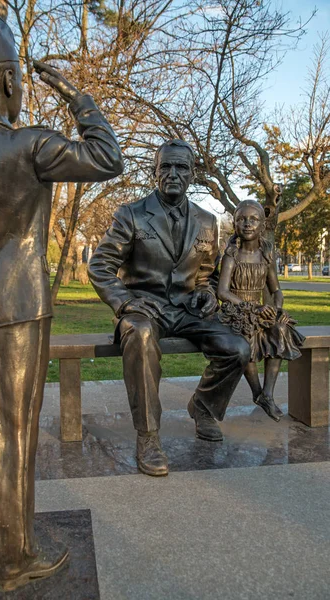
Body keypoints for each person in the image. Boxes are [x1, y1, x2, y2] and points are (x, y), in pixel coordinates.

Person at [0, 13, 123, 592]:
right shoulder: (31, 144)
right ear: (10, 80)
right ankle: (14, 560)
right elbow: (107, 156)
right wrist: (75, 94)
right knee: (14, 430)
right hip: (18, 307)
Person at [88, 140, 250, 477]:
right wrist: (127, 302)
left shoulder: (208, 220)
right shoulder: (130, 214)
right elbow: (100, 265)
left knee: (238, 348)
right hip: (143, 308)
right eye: (166, 167)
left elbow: (205, 273)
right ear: (155, 172)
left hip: (188, 309)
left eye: (181, 168)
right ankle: (148, 435)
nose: (173, 174)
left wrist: (206, 292)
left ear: (192, 174)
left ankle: (203, 407)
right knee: (141, 334)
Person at [217, 200, 305, 421]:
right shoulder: (231, 256)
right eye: (242, 219)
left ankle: (267, 393)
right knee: (246, 336)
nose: (247, 224)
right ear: (235, 225)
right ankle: (257, 391)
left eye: (253, 220)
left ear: (262, 226)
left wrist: (277, 309)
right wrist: (251, 307)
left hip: (259, 310)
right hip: (236, 310)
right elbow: (222, 292)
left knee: (280, 329)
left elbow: (276, 290)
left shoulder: (266, 257)